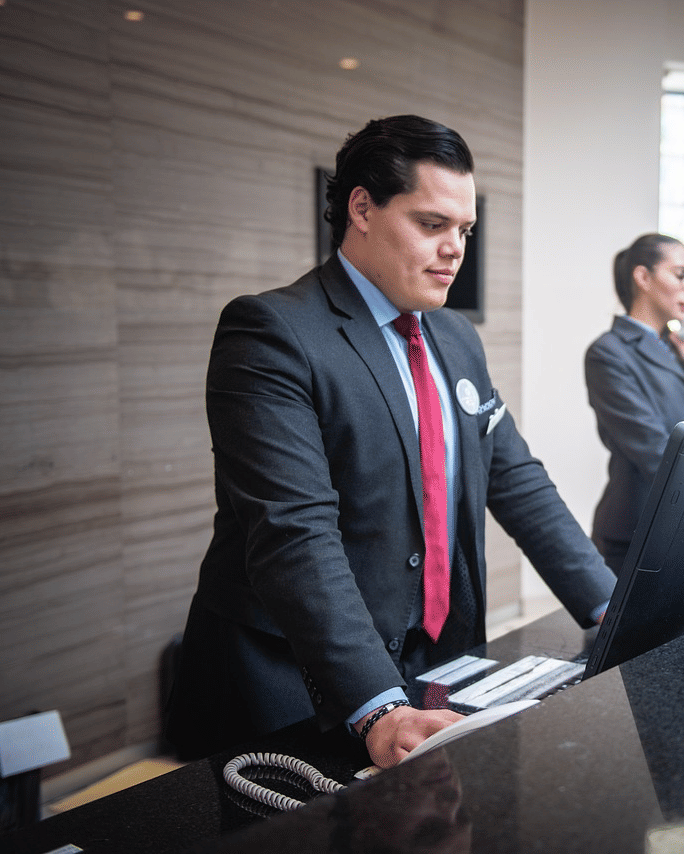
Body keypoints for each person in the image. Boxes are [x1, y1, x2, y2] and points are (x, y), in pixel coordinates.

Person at [165, 115, 615, 770]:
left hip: (429, 666)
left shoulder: (456, 338)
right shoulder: (271, 334)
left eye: (463, 230)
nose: (455, 248)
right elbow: (294, 534)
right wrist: (376, 704)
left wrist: (612, 607)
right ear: (362, 208)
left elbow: (517, 481)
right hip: (292, 684)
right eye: (432, 224)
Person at [584, 234, 684, 574]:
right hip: (641, 533)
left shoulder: (679, 346)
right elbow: (655, 451)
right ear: (643, 278)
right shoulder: (608, 353)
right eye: (680, 276)